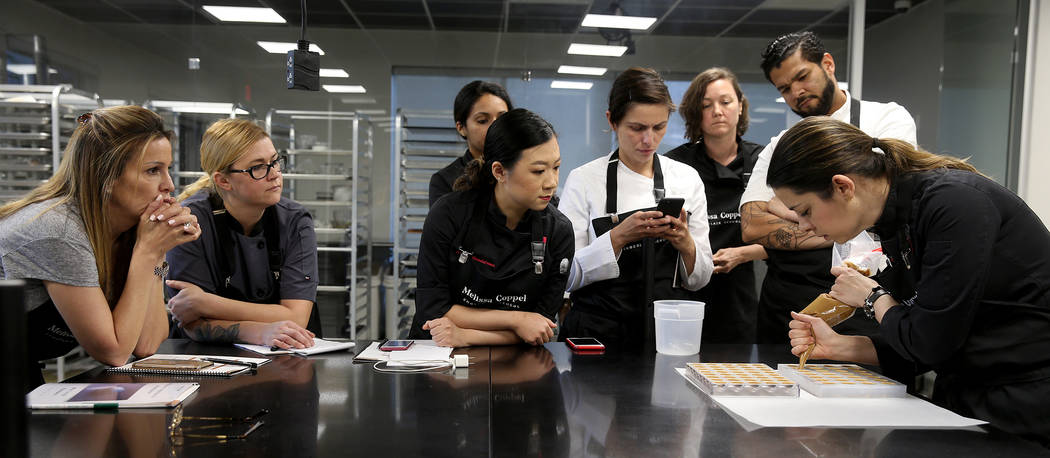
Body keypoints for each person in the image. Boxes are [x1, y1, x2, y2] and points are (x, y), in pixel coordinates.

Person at [772, 117, 1050, 446]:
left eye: (805, 211)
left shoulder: (952, 204)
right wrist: (840, 345)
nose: (803, 226)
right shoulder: (897, 221)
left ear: (843, 187)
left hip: (1026, 398)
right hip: (970, 389)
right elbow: (920, 336)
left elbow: (931, 341)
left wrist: (873, 297)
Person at [0, 106, 197, 388]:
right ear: (106, 176)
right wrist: (149, 251)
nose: (169, 185)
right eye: (153, 170)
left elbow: (146, 344)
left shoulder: (128, 231)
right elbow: (114, 352)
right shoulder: (59, 232)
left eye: (167, 169)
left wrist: (158, 248)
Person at [739, 31, 917, 344]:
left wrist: (782, 208)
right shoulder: (780, 145)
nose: (796, 92)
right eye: (784, 88)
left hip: (867, 302)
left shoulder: (886, 118)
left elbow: (881, 200)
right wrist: (836, 219)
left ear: (828, 64)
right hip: (788, 307)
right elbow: (753, 224)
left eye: (802, 77)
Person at [559, 67, 714, 348]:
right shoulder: (584, 180)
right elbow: (567, 275)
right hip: (599, 330)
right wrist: (618, 237)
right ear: (612, 121)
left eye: (659, 127)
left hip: (666, 332)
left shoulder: (687, 178)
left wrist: (685, 243)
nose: (649, 140)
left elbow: (700, 279)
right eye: (637, 128)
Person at [411, 108, 574, 347]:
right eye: (538, 171)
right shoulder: (449, 215)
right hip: (438, 352)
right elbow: (433, 308)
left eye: (556, 167)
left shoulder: (559, 231)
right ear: (499, 171)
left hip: (515, 364)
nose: (551, 182)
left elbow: (540, 327)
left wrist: (465, 335)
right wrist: (517, 319)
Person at [165, 118, 319, 350]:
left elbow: (296, 318)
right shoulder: (189, 222)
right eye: (258, 167)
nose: (274, 174)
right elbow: (191, 321)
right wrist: (260, 331)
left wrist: (207, 302)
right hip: (206, 362)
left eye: (275, 162)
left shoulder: (295, 221)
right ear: (223, 180)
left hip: (288, 356)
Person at [665, 67, 766, 344]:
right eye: (706, 105)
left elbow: (791, 234)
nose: (717, 111)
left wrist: (743, 254)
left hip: (739, 297)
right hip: (684, 294)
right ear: (695, 113)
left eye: (725, 101)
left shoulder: (763, 161)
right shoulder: (675, 165)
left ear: (741, 106)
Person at [429, 80, 514, 208]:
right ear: (461, 127)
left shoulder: (520, 170)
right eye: (482, 120)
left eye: (502, 118)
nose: (495, 126)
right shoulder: (444, 180)